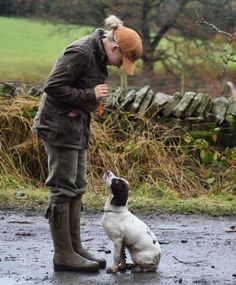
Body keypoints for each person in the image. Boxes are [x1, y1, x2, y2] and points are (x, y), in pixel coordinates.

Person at [33, 15, 143, 273]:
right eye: (121, 60)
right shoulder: (81, 52)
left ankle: (75, 248)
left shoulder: (98, 55)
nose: (119, 66)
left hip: (76, 129)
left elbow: (79, 92)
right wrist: (89, 95)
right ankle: (63, 255)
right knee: (63, 189)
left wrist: (92, 102)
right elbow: (53, 86)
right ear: (114, 47)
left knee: (77, 187)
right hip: (58, 128)